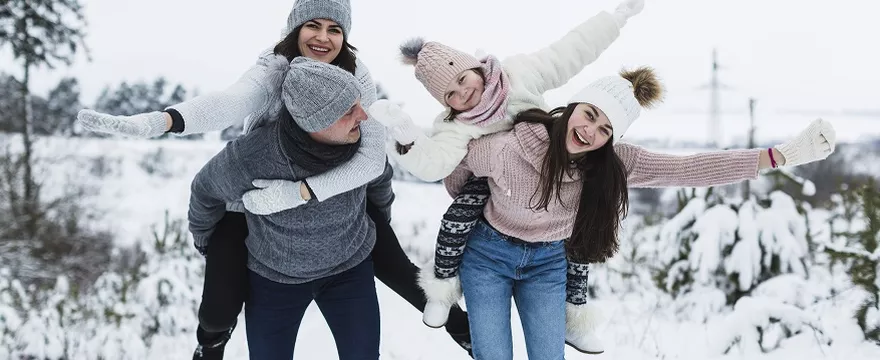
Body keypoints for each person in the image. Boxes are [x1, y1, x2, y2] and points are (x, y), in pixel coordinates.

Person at [75, 0, 474, 358]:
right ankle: (211, 342)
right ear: (294, 29)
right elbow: (229, 103)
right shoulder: (272, 72)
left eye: (335, 29)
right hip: (260, 187)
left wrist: (304, 194)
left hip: (338, 186)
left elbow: (372, 160)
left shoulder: (355, 75)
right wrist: (162, 121)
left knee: (390, 257)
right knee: (219, 300)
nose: (323, 37)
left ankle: (461, 328)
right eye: (312, 25)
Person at [433, 66, 836, 359]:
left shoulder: (612, 164)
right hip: (487, 258)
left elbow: (689, 169)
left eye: (605, 129)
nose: (590, 131)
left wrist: (778, 155)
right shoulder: (510, 146)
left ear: (612, 140)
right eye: (590, 115)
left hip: (547, 264)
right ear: (574, 107)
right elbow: (458, 168)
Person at [367, 0, 645, 353]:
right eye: (450, 95)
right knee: (460, 214)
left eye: (462, 80)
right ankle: (443, 285)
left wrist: (614, 19)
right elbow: (434, 164)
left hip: (550, 171)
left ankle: (574, 316)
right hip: (492, 186)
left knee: (577, 222)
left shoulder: (519, 74)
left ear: (475, 68)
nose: (463, 94)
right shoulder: (456, 126)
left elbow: (570, 52)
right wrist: (407, 136)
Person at [188, 57, 390, 359]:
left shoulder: (358, 140)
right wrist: (205, 240)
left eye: (359, 104)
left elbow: (379, 177)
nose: (364, 116)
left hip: (349, 271)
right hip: (274, 280)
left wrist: (380, 217)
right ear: (315, 121)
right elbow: (205, 190)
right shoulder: (255, 155)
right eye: (350, 110)